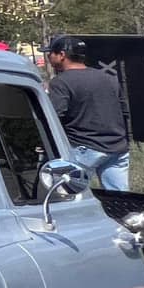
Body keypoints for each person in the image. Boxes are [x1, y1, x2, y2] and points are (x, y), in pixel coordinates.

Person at [46, 36, 131, 192]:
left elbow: (55, 116)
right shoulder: (109, 78)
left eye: (50, 53)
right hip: (118, 148)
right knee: (120, 200)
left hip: (84, 149)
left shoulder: (61, 82)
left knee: (67, 195)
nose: (49, 57)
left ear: (62, 55)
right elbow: (124, 112)